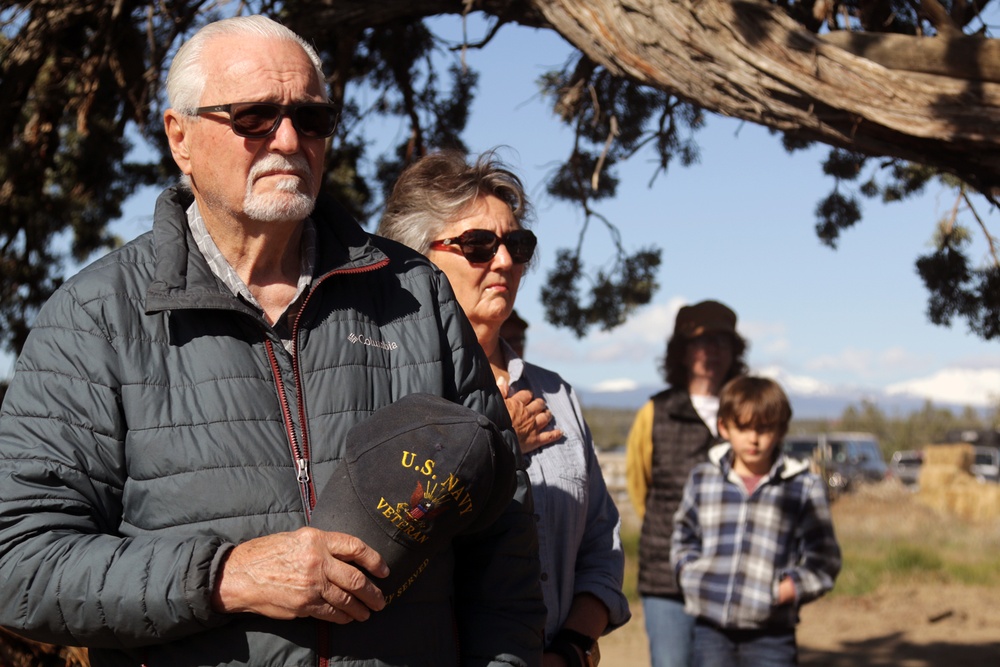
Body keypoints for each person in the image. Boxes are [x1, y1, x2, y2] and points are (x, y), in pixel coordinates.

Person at [0, 16, 545, 667]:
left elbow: (501, 533)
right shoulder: (95, 316)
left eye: (311, 118)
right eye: (254, 116)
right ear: (181, 137)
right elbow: (17, 560)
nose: (288, 139)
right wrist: (225, 576)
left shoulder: (416, 294)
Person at [378, 150, 630, 667]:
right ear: (416, 257)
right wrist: (497, 443)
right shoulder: (385, 388)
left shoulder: (556, 395)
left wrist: (572, 649)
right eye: (477, 245)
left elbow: (601, 548)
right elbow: (390, 537)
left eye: (517, 244)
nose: (504, 261)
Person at [671, 376, 842, 666]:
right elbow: (683, 537)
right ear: (724, 427)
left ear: (781, 429)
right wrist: (691, 574)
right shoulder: (703, 479)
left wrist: (782, 591)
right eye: (743, 427)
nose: (753, 438)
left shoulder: (803, 485)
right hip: (710, 628)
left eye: (764, 428)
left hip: (771, 634)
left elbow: (824, 559)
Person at [625, 299, 748, 667]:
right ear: (681, 351)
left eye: (721, 342)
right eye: (700, 341)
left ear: (734, 351)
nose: (711, 351)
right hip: (666, 578)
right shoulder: (655, 412)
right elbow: (638, 486)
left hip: (733, 575)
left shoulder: (749, 411)